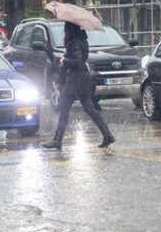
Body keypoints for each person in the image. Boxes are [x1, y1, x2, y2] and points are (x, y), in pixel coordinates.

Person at [42, 21, 115, 150]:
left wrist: (64, 60)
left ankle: (57, 140)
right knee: (89, 108)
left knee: (64, 110)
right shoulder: (81, 40)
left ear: (69, 29)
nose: (64, 31)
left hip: (76, 80)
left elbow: (77, 62)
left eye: (65, 28)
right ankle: (107, 134)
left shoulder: (74, 42)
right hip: (84, 77)